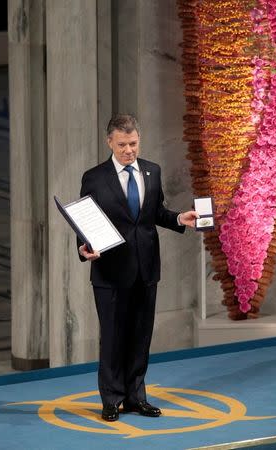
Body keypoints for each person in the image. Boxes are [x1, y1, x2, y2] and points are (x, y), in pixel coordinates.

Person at [78, 114, 198, 422]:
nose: (129, 150)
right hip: (109, 272)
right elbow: (85, 221)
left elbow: (154, 212)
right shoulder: (93, 177)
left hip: (146, 269)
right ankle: (111, 398)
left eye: (133, 143)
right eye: (122, 145)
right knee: (113, 337)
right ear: (109, 142)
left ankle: (135, 397)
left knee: (141, 336)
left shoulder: (152, 171)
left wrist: (177, 219)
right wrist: (84, 247)